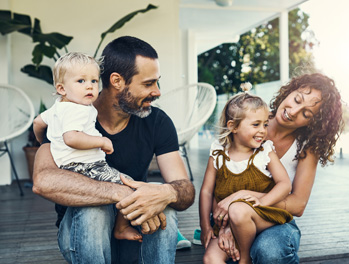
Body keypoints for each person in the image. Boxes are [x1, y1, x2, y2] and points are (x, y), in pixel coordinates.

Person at [32, 36, 195, 264]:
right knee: (94, 211)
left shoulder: (157, 121)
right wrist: (120, 193)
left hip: (134, 232)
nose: (157, 92)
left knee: (161, 203)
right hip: (83, 236)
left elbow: (185, 188)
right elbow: (44, 181)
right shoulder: (68, 113)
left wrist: (167, 193)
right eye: (148, 84)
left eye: (157, 83)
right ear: (117, 81)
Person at [211, 73, 344, 263]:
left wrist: (242, 198)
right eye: (297, 99)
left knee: (269, 250)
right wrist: (229, 223)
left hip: (276, 220)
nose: (294, 111)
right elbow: (217, 179)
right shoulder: (251, 119)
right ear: (289, 91)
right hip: (232, 216)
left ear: (313, 122)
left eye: (307, 114)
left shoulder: (306, 147)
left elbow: (298, 205)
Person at [33, 52, 142, 242]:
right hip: (87, 166)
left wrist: (44, 141)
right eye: (81, 81)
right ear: (61, 88)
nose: (90, 85)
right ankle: (121, 228)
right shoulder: (78, 110)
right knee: (130, 186)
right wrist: (102, 141)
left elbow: (37, 123)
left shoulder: (58, 107)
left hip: (68, 168)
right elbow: (71, 138)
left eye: (94, 80)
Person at [200, 90, 293, 264]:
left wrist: (263, 203)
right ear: (233, 126)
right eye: (256, 124)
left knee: (238, 209)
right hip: (229, 223)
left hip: (263, 215)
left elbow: (285, 184)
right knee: (210, 259)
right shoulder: (218, 154)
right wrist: (205, 225)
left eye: (265, 124)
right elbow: (206, 191)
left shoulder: (265, 152)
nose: (263, 131)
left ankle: (244, 260)